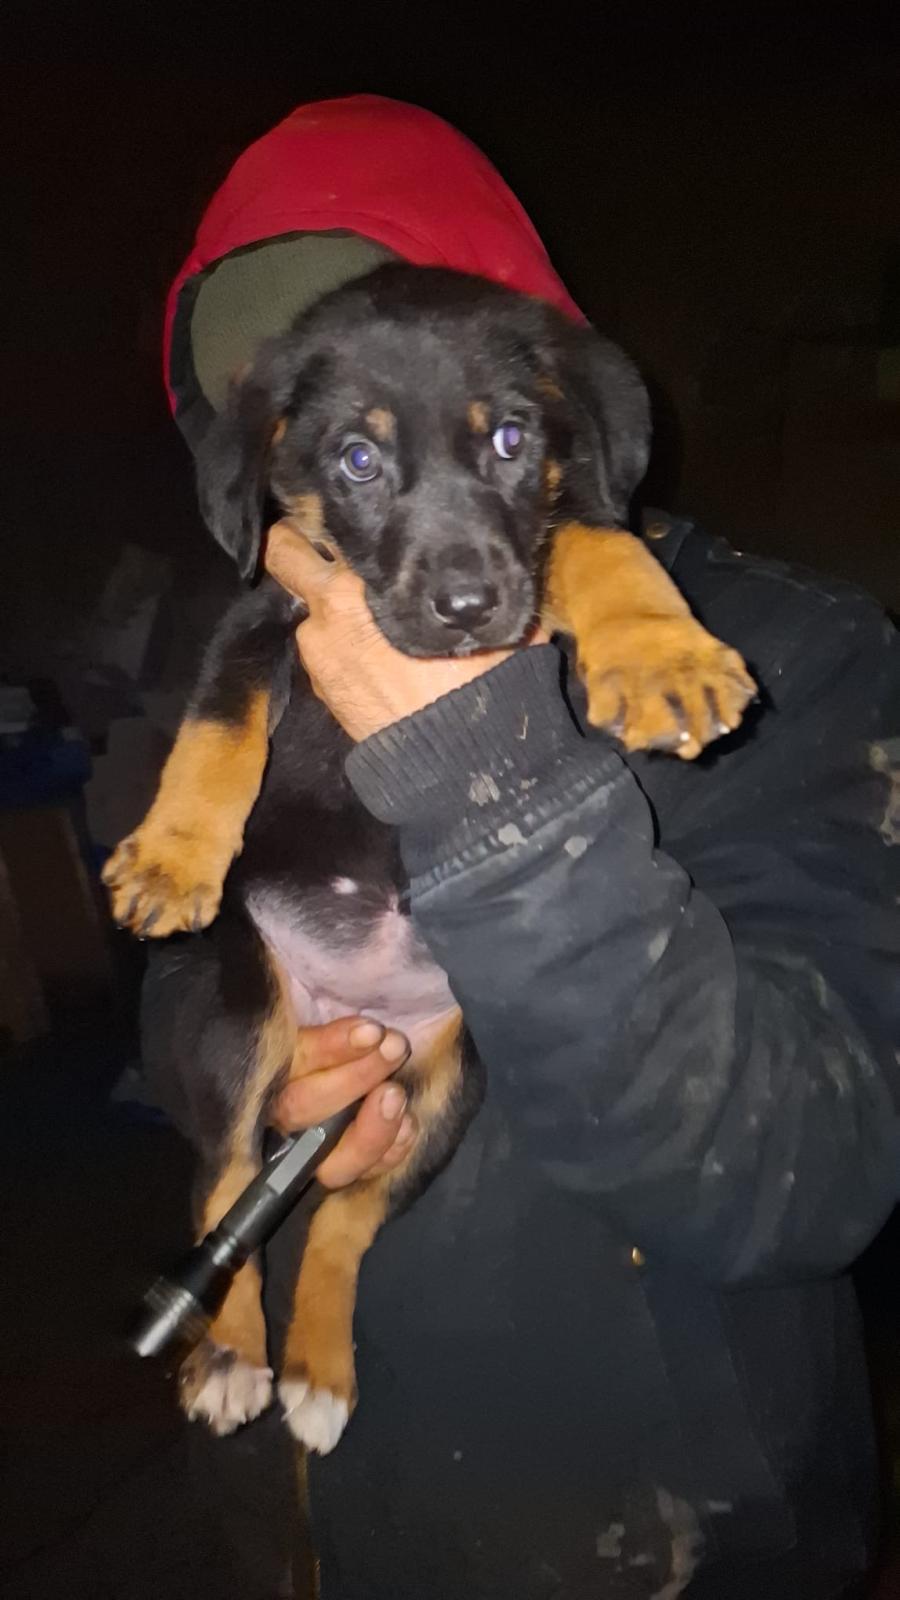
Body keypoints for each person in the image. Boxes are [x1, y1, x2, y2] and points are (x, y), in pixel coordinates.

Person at [160, 95, 899, 1598]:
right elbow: (187, 976)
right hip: (318, 1513)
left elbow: (805, 1178)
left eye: (492, 435)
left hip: (652, 1531)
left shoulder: (795, 659)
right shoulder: (256, 655)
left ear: (564, 415)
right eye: (334, 445)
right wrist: (269, 1083)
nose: (428, 538)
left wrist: (485, 766)